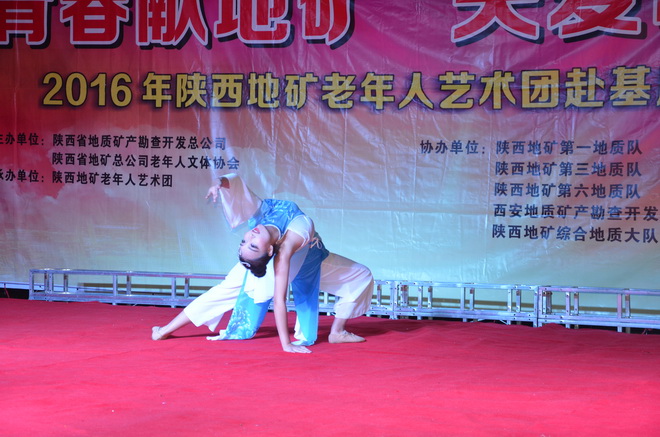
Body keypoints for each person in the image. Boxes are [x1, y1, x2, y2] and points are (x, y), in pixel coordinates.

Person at [151, 173, 374, 353]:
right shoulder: (288, 244)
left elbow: (237, 186)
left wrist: (218, 183)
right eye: (252, 245)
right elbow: (279, 301)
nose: (250, 236)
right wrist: (286, 344)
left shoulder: (262, 213)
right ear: (268, 251)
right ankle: (165, 330)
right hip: (299, 261)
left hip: (313, 259)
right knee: (224, 292)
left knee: (361, 276)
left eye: (245, 241)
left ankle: (337, 332)